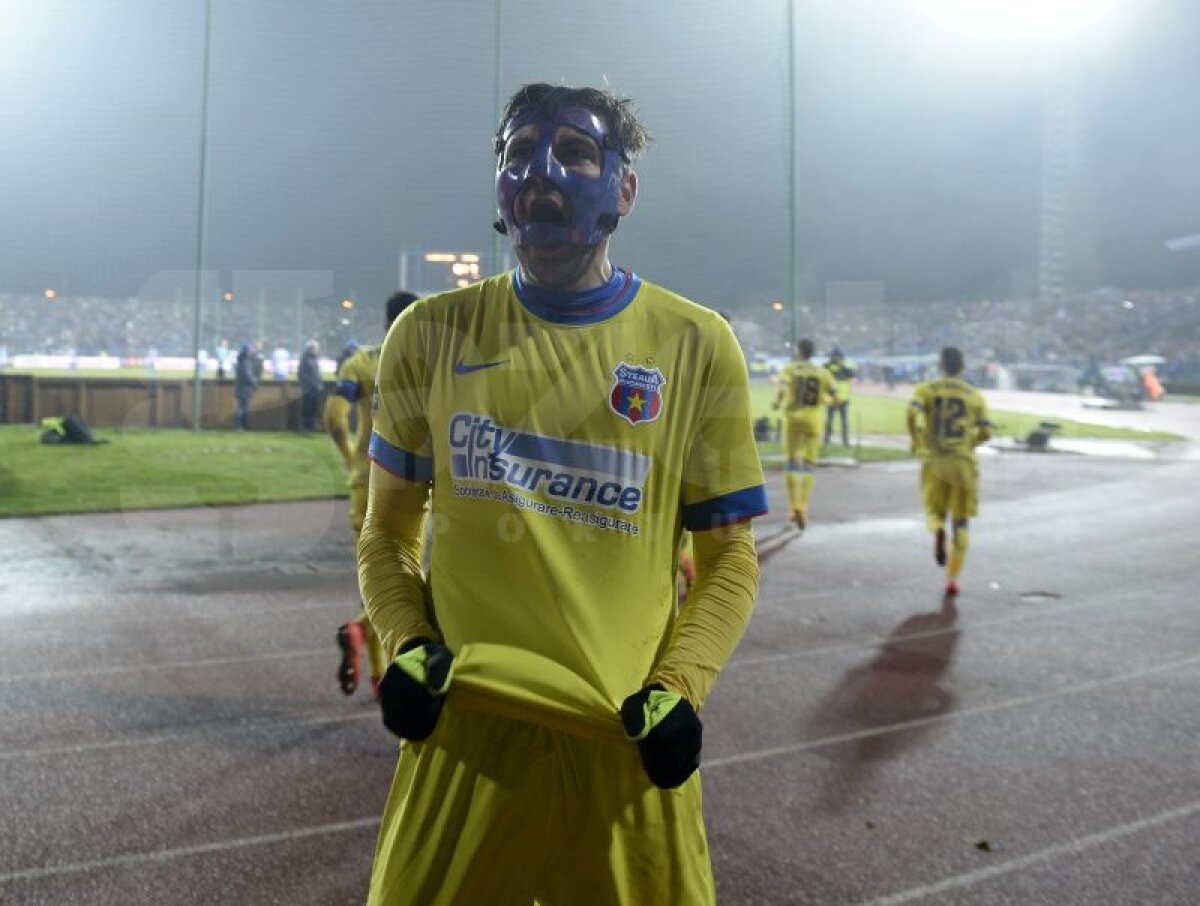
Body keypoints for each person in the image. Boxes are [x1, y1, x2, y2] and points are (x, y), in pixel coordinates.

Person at [359, 83, 766, 905]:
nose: (541, 171)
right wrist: (405, 643)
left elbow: (729, 560)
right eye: (517, 155)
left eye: (576, 153)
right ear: (499, 189)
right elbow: (386, 536)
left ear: (625, 188)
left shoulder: (697, 345)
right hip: (465, 739)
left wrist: (679, 691)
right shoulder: (428, 336)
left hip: (622, 744)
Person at [325, 292, 420, 699]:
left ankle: (378, 671)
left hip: (366, 482)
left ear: (385, 323)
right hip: (412, 488)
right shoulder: (426, 366)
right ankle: (366, 639)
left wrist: (350, 458)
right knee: (403, 581)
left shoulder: (360, 362)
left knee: (375, 578)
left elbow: (332, 417)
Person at [906, 346, 992, 596]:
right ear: (963, 367)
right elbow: (986, 432)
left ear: (941, 365)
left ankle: (937, 529)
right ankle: (952, 579)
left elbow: (912, 413)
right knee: (962, 523)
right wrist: (969, 443)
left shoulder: (926, 390)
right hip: (963, 464)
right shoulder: (974, 395)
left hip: (935, 461)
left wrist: (917, 441)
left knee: (933, 511)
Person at [773, 338, 837, 530]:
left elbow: (782, 387)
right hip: (813, 420)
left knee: (792, 463)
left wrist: (777, 401)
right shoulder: (823, 372)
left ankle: (793, 508)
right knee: (808, 466)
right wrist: (822, 399)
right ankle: (803, 506)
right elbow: (835, 397)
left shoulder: (790, 369)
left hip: (793, 418)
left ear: (799, 350)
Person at [823, 347, 855, 448]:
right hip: (831, 399)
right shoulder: (827, 367)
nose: (835, 358)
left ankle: (845, 441)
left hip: (844, 399)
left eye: (837, 357)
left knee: (844, 422)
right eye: (834, 356)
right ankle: (827, 440)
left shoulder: (846, 367)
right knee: (829, 421)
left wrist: (842, 365)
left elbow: (852, 374)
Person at [297, 340, 323, 432]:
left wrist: (319, 383)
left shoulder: (315, 358)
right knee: (307, 407)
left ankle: (311, 426)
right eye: (315, 348)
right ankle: (305, 427)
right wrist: (311, 383)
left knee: (313, 407)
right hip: (308, 388)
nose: (316, 349)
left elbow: (318, 373)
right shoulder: (305, 358)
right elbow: (301, 374)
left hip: (315, 388)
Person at [233, 342, 260, 430]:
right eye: (250, 350)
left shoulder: (242, 361)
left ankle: (242, 425)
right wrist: (255, 384)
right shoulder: (246, 362)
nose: (251, 352)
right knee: (242, 407)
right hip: (244, 388)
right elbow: (248, 375)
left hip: (242, 387)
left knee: (243, 407)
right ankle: (239, 425)